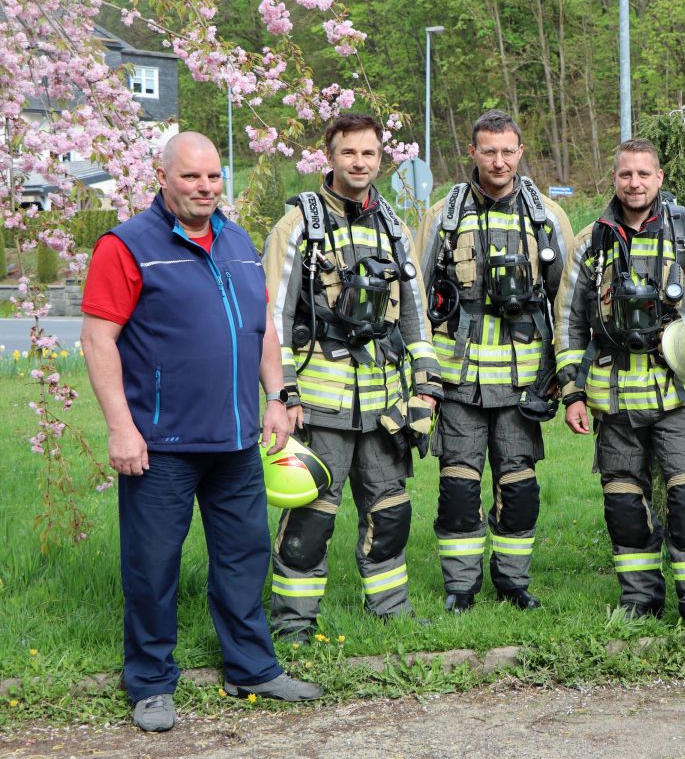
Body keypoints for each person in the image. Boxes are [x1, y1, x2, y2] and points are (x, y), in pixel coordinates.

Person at [81, 132, 322, 733]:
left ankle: (252, 668)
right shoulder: (126, 246)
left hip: (239, 442)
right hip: (159, 446)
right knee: (152, 566)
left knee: (243, 559)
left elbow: (261, 325)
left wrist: (275, 397)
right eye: (191, 177)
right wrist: (120, 429)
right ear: (162, 178)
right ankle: (150, 681)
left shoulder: (237, 241)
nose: (206, 188)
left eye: (214, 177)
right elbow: (97, 339)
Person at [555, 138, 685, 641]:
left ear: (660, 177)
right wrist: (571, 392)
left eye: (644, 174)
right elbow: (566, 321)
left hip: (680, 399)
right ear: (614, 179)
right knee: (624, 506)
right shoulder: (592, 241)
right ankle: (640, 601)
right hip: (614, 398)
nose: (635, 183)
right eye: (626, 175)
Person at [263, 113, 441, 638]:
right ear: (329, 157)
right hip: (319, 402)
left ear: (380, 158)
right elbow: (272, 316)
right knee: (311, 516)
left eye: (368, 153)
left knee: (390, 510)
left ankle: (390, 611)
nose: (359, 163)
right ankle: (294, 623)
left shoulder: (393, 224)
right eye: (348, 153)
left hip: (386, 402)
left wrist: (426, 379)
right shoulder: (298, 225)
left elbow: (413, 312)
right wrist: (283, 391)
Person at [414, 110, 573, 613]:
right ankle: (461, 588)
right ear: (473, 153)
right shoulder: (445, 214)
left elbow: (568, 302)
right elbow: (417, 296)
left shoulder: (548, 217)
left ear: (520, 152)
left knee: (519, 487)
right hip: (458, 380)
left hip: (524, 383)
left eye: (508, 151)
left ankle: (513, 583)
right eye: (489, 151)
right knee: (458, 487)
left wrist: (561, 374)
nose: (499, 161)